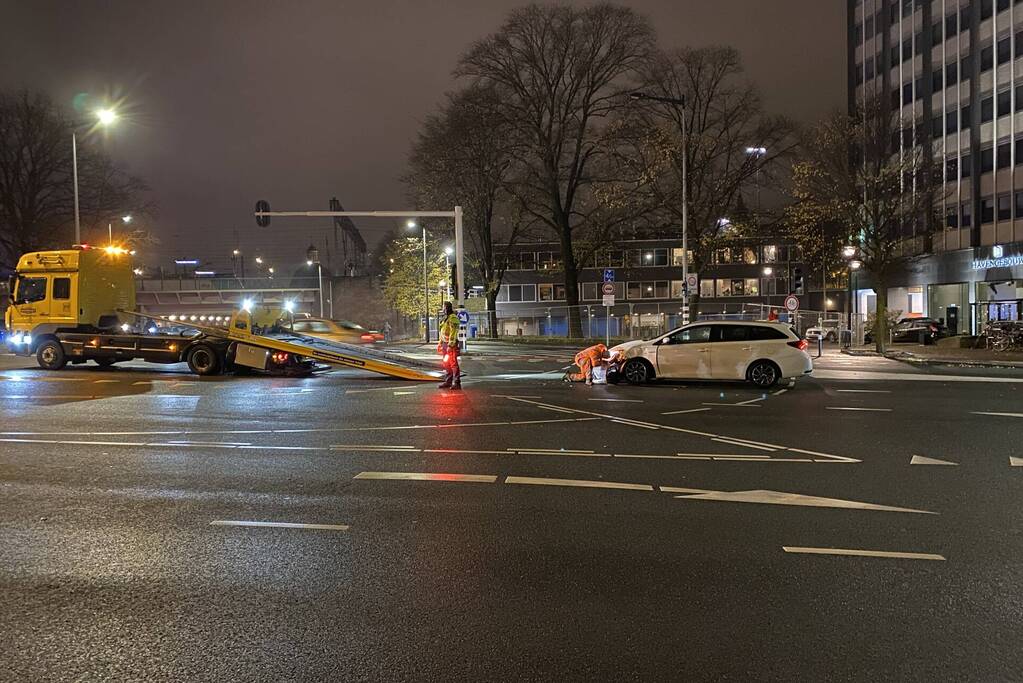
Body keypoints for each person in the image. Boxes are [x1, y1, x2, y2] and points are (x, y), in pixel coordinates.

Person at [437, 301, 462, 390]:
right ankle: (448, 381)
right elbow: (443, 332)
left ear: (447, 308)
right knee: (446, 363)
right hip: (445, 344)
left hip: (451, 345)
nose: (443, 309)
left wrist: (450, 345)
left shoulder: (453, 318)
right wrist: (440, 343)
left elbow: (453, 332)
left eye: (444, 307)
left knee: (453, 363)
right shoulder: (445, 319)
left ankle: (457, 382)